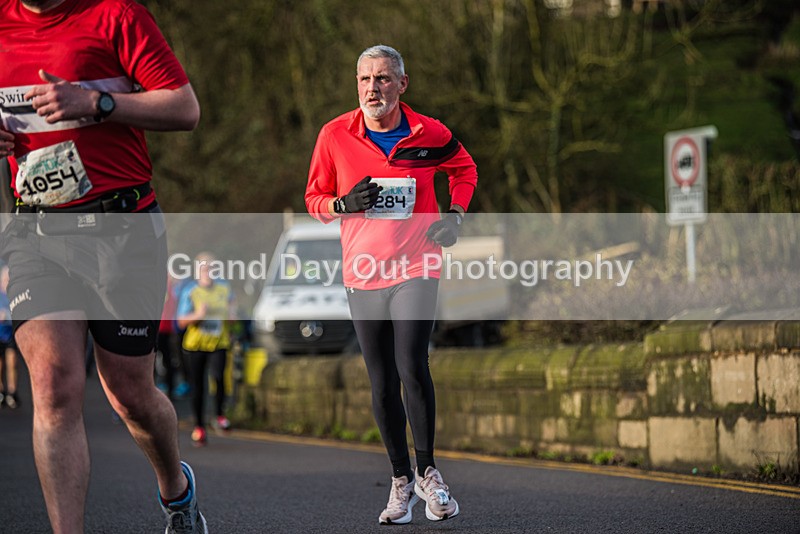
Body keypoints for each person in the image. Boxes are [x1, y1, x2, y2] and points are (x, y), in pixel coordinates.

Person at [0, 1, 206, 532]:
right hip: (37, 231)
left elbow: (185, 109)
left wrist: (98, 102)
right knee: (51, 384)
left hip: (124, 227)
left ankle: (176, 491)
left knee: (129, 393)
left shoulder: (116, 15)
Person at [305, 44, 477, 524]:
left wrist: (456, 217)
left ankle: (430, 474)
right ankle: (400, 482)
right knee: (381, 382)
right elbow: (314, 199)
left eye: (382, 79)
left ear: (403, 84)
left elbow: (464, 169)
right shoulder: (334, 135)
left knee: (411, 364)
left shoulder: (429, 133)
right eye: (364, 79)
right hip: (363, 273)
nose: (372, 88)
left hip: (417, 265)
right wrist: (344, 204)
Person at [177, 252, 235, 447]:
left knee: (219, 377)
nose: (208, 272)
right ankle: (199, 427)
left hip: (219, 343)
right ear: (197, 270)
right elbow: (181, 322)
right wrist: (198, 315)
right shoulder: (190, 291)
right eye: (204, 268)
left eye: (211, 268)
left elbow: (233, 311)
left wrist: (233, 317)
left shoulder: (224, 288)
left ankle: (219, 415)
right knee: (198, 386)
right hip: (196, 346)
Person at [0, 264, 19, 409]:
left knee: (12, 362)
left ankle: (12, 392)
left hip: (11, 333)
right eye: (5, 279)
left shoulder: (15, 294)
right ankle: (1, 391)